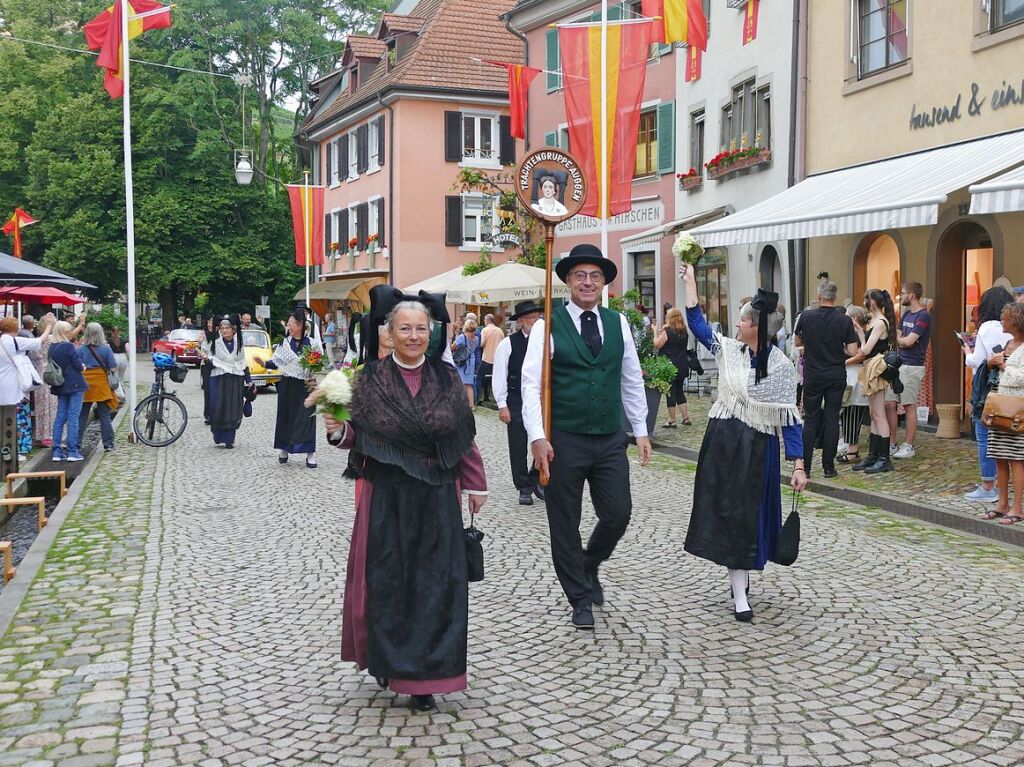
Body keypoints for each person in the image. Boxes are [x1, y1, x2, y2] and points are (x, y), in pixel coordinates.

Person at [325, 300, 486, 712]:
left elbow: (461, 435)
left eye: (421, 328)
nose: (413, 336)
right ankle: (389, 662)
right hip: (388, 496)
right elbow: (353, 436)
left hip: (437, 496)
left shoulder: (447, 378)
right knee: (389, 585)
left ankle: (426, 678)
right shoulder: (368, 380)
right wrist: (338, 428)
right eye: (405, 329)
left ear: (430, 332)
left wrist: (475, 483)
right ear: (389, 333)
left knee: (437, 588)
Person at [522, 244, 651, 630]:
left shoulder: (619, 324)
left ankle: (588, 562)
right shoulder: (548, 324)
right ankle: (579, 597)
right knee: (565, 521)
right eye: (580, 275)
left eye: (595, 276)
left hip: (610, 436)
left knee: (618, 513)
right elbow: (531, 385)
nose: (588, 282)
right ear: (567, 281)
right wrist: (537, 437)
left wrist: (641, 429)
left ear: (604, 283)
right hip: (564, 438)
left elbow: (631, 378)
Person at [678, 264, 806, 622]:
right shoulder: (729, 351)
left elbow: (788, 419)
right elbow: (699, 327)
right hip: (722, 443)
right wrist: (690, 285)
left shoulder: (780, 368)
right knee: (729, 517)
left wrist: (797, 465)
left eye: (742, 321)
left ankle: (741, 583)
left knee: (747, 518)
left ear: (757, 327)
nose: (736, 326)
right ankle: (739, 593)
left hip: (757, 450)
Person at [793, 278, 859, 478]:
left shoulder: (806, 316)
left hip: (813, 374)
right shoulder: (844, 320)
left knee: (811, 419)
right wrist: (838, 348)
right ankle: (829, 467)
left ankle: (805, 467)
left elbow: (797, 341)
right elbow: (853, 350)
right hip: (835, 374)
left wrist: (810, 345)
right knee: (831, 418)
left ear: (819, 296)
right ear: (834, 297)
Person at [963, 287, 1014, 504]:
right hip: (1010, 385)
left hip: (987, 387)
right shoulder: (1013, 328)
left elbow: (978, 361)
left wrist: (967, 352)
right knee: (1009, 435)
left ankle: (988, 486)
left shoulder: (986, 327)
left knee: (984, 435)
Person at [254, 309, 322, 467]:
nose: (289, 326)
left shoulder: (312, 344)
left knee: (307, 418)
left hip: (306, 385)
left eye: (291, 324)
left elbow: (319, 364)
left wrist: (315, 372)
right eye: (289, 324)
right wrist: (263, 363)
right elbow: (275, 361)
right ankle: (284, 449)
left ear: (300, 325)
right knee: (285, 416)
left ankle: (310, 453)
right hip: (287, 385)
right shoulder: (285, 343)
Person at [492, 300, 544, 505]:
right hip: (515, 399)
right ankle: (523, 486)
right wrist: (502, 404)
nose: (536, 321)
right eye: (532, 318)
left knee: (543, 438)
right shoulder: (508, 343)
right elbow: (499, 375)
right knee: (518, 444)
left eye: (538, 317)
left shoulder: (544, 341)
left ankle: (535, 477)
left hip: (541, 398)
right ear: (522, 321)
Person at [985, 301, 1024, 524]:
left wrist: (1003, 367)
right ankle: (1002, 503)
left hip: (1016, 410)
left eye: (1005, 317)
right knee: (1000, 455)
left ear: (1016, 322)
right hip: (998, 407)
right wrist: (990, 363)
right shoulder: (1008, 343)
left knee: (1016, 458)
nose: (1001, 321)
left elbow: (1021, 377)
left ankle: (1018, 507)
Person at [854, 289, 897, 475]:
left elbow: (866, 349)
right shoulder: (877, 321)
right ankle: (874, 455)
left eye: (866, 299)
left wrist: (860, 333)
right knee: (874, 413)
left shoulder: (879, 323)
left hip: (875, 368)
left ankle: (883, 458)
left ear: (872, 302)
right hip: (873, 368)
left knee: (879, 414)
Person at [886, 282, 931, 459]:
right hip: (899, 363)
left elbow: (910, 341)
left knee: (908, 405)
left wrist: (903, 340)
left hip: (912, 365)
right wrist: (903, 340)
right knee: (889, 403)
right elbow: (898, 335)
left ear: (911, 295)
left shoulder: (923, 316)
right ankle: (890, 442)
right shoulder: (905, 314)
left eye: (903, 293)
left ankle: (909, 445)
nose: (900, 296)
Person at [0, 316, 53, 457]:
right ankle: (21, 450)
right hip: (16, 386)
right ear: (15, 328)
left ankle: (9, 449)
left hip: (3, 386)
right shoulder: (14, 341)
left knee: (6, 419)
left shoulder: (1, 341)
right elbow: (39, 341)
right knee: (21, 418)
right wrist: (48, 326)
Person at [206, 316, 252, 448]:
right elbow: (211, 363)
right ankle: (218, 435)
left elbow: (243, 364)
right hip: (219, 380)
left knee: (233, 408)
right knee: (218, 407)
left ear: (233, 330)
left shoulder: (239, 345)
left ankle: (229, 439)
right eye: (222, 328)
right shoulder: (215, 344)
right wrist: (207, 359)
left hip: (235, 380)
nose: (224, 330)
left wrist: (249, 382)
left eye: (227, 328)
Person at [47, 321, 88, 462]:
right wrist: (83, 367)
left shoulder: (52, 347)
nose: (72, 332)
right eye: (70, 330)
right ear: (65, 332)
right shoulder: (68, 346)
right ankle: (72, 451)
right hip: (75, 384)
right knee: (73, 418)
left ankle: (56, 451)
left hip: (60, 385)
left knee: (60, 417)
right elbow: (78, 364)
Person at [77, 322, 119, 452]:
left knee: (82, 415)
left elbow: (77, 366)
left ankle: (76, 443)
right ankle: (108, 443)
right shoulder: (106, 348)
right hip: (101, 383)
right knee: (104, 414)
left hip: (85, 383)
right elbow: (113, 367)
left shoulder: (81, 349)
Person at [838, 305, 871, 465]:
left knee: (852, 412)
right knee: (848, 413)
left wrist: (842, 362)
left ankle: (853, 450)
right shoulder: (852, 333)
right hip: (851, 375)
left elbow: (859, 355)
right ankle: (850, 447)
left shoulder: (859, 335)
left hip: (855, 376)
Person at [653, 308, 691, 427]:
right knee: (679, 391)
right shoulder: (684, 331)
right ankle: (686, 418)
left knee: (670, 392)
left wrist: (654, 332)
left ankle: (672, 420)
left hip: (669, 366)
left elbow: (657, 345)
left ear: (669, 318)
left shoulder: (668, 331)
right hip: (682, 364)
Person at [31, 313, 58, 447]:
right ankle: (50, 434)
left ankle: (40, 434)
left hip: (38, 372)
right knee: (51, 403)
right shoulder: (52, 339)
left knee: (41, 404)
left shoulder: (37, 340)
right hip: (50, 372)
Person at [452, 318, 479, 409]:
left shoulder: (462, 337)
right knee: (469, 384)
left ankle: (459, 403)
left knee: (460, 382)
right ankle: (471, 404)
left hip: (462, 361)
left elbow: (452, 347)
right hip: (471, 360)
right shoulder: (476, 338)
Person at [478, 314, 504, 404]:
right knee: (496, 379)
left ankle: (481, 397)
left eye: (484, 319)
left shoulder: (485, 330)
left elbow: (481, 344)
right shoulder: (500, 331)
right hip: (497, 359)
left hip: (487, 358)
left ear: (487, 320)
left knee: (480, 378)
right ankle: (497, 398)